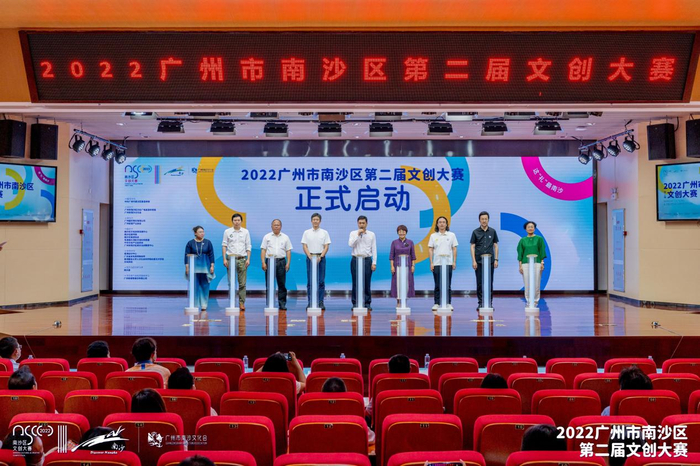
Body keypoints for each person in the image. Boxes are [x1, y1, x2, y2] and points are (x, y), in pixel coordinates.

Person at [260, 219, 293, 311]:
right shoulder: (267, 237)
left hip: (281, 261)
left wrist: (288, 263)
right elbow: (263, 250)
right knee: (269, 283)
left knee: (281, 283)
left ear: (281, 226)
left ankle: (282, 304)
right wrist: (263, 262)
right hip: (269, 262)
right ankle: (269, 303)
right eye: (274, 225)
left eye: (278, 225)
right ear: (271, 226)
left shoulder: (285, 237)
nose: (276, 226)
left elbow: (288, 251)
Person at [301, 213, 331, 310]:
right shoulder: (306, 232)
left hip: (321, 258)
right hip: (310, 258)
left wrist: (321, 256)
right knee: (310, 281)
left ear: (320, 221)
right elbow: (304, 246)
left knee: (321, 281)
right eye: (314, 219)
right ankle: (310, 302)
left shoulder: (324, 232)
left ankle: (320, 302)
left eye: (317, 219)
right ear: (311, 221)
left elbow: (326, 246)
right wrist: (309, 256)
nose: (315, 221)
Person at [222, 213, 252, 311]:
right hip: (230, 259)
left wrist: (248, 259)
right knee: (231, 282)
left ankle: (241, 303)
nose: (237, 222)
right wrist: (224, 259)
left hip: (242, 259)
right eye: (235, 220)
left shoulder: (246, 232)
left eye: (238, 220)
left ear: (241, 221)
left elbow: (248, 246)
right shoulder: (227, 231)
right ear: (232, 221)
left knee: (242, 283)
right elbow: (224, 245)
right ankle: (232, 302)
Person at [470, 211, 499, 309]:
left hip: (490, 261)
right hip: (479, 261)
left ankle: (489, 303)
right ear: (479, 220)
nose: (484, 221)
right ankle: (481, 303)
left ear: (488, 220)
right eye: (482, 219)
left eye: (486, 219)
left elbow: (496, 246)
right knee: (479, 282)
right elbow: (472, 247)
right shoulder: (475, 232)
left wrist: (496, 259)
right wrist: (473, 261)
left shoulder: (493, 231)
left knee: (489, 282)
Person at [429, 216, 458, 310]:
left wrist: (454, 262)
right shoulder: (433, 236)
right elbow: (430, 249)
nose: (442, 224)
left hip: (448, 263)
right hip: (437, 263)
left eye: (443, 222)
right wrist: (431, 262)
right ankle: (437, 303)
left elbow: (454, 249)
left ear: (446, 224)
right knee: (437, 284)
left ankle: (448, 303)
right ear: (437, 224)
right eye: (440, 222)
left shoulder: (451, 235)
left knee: (448, 284)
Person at [349, 215, 377, 310]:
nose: (361, 225)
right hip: (355, 259)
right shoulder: (353, 233)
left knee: (367, 282)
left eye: (363, 223)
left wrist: (374, 262)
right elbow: (350, 244)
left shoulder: (371, 234)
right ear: (357, 223)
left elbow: (374, 249)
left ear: (366, 224)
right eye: (360, 223)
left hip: (367, 260)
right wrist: (358, 235)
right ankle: (355, 302)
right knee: (355, 282)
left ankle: (367, 303)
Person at [185, 226, 216, 312]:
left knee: (205, 285)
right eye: (200, 232)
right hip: (194, 267)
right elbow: (186, 255)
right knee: (194, 286)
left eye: (203, 232)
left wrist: (212, 266)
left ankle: (204, 305)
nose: (202, 233)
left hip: (205, 266)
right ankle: (194, 304)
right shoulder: (190, 243)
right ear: (195, 233)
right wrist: (187, 267)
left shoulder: (208, 242)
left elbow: (211, 254)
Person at [517, 221, 547, 308]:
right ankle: (528, 301)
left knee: (536, 282)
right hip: (525, 263)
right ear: (525, 229)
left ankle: (535, 301)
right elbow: (520, 253)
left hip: (537, 263)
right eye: (528, 227)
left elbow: (542, 251)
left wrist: (542, 262)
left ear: (534, 228)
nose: (530, 228)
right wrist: (520, 265)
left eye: (532, 227)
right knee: (527, 283)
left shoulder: (539, 239)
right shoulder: (522, 240)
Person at [389, 225, 416, 307]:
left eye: (403, 231)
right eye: (400, 231)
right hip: (397, 266)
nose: (401, 233)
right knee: (397, 283)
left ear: (406, 232)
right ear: (397, 232)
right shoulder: (394, 242)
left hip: (407, 266)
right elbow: (391, 255)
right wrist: (392, 266)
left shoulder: (410, 242)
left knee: (406, 283)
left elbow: (413, 255)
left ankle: (405, 301)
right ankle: (398, 301)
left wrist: (413, 266)